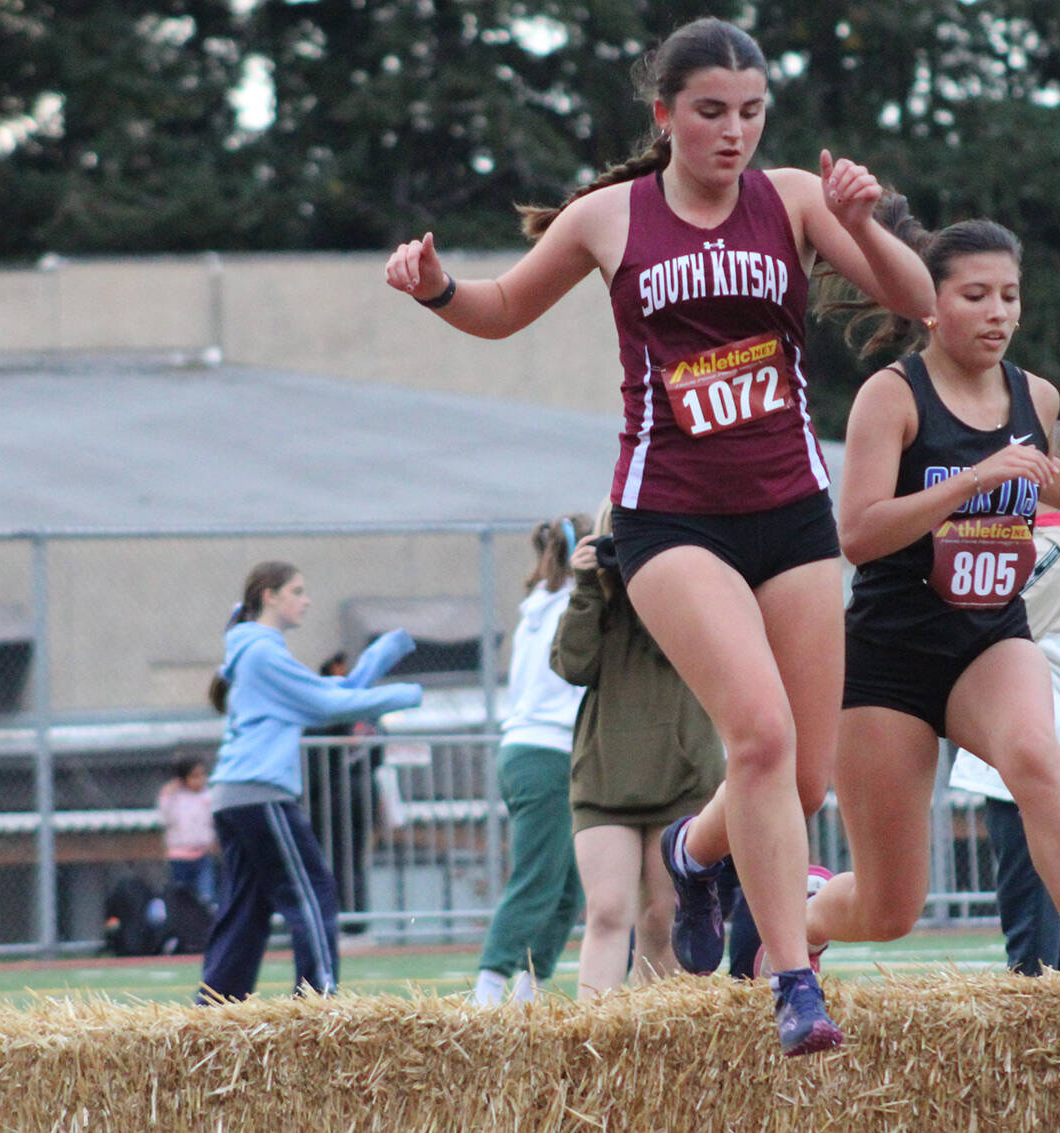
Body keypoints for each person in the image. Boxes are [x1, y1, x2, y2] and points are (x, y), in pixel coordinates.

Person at [386, 16, 934, 1053]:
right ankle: (791, 980)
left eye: (751, 113)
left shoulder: (796, 197)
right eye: (711, 113)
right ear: (666, 115)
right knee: (761, 737)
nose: (733, 133)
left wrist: (863, 223)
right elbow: (503, 305)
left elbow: (915, 303)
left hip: (790, 513)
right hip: (669, 515)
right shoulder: (609, 217)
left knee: (803, 776)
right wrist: (437, 288)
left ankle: (689, 856)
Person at [801, 206, 1060, 1050]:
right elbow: (858, 533)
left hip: (990, 636)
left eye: (1010, 296)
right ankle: (805, 919)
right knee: (889, 905)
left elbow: (1046, 472)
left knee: (1037, 754)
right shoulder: (891, 394)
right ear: (930, 306)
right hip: (889, 655)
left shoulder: (1033, 394)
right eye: (976, 295)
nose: (998, 313)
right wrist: (969, 479)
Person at [197, 562, 422, 1002]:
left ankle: (214, 1007)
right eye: (297, 591)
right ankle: (318, 1002)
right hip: (260, 792)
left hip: (236, 794)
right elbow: (324, 705)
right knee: (312, 893)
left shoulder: (255, 652)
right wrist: (406, 695)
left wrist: (383, 654)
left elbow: (330, 695)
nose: (307, 599)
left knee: (247, 908)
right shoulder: (263, 654)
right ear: (269, 596)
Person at [948, 420, 1060, 977]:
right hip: (1053, 728)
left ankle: (1043, 1033)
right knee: (1058, 911)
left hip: (1031, 731)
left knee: (1032, 918)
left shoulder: (1045, 549)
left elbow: (974, 616)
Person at [550, 500, 725, 1000]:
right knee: (607, 911)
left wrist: (666, 569)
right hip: (606, 777)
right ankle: (593, 1042)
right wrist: (588, 586)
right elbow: (572, 665)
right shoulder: (596, 600)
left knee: (663, 916)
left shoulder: (696, 590)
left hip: (683, 773)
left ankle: (653, 1042)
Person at [471, 515, 592, 1005]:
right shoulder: (571, 606)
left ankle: (527, 988)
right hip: (546, 752)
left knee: (567, 890)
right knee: (538, 879)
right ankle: (488, 987)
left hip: (533, 750)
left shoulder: (538, 606)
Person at [304, 651, 385, 930]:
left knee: (336, 857)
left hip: (338, 791)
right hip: (354, 788)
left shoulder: (326, 705)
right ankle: (350, 920)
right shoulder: (364, 704)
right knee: (345, 857)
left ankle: (343, 921)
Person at [158, 759, 220, 907]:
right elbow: (165, 817)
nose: (200, 780)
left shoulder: (208, 796)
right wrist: (168, 794)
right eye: (194, 776)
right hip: (179, 856)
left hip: (203, 854)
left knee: (206, 896)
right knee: (182, 896)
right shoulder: (175, 797)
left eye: (202, 775)